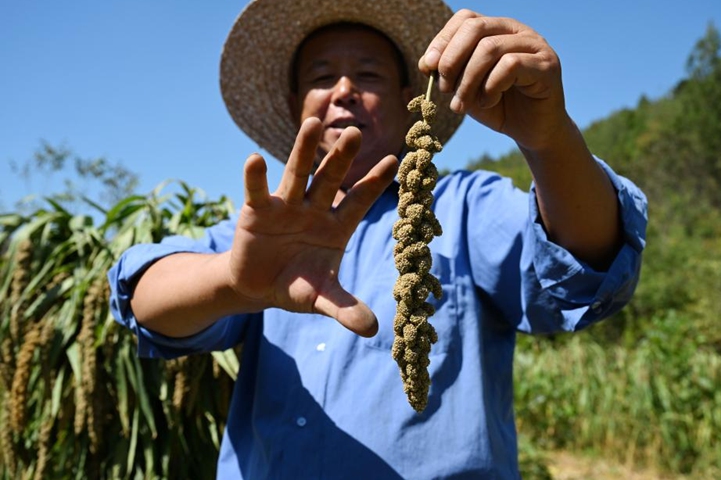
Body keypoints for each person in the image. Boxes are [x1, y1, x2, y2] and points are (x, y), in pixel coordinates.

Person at [108, 0, 648, 477]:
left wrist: (550, 140)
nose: (343, 91)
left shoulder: (461, 207)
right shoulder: (264, 231)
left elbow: (585, 267)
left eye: (368, 75)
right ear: (297, 102)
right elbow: (142, 299)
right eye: (322, 77)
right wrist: (230, 281)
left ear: (410, 98)